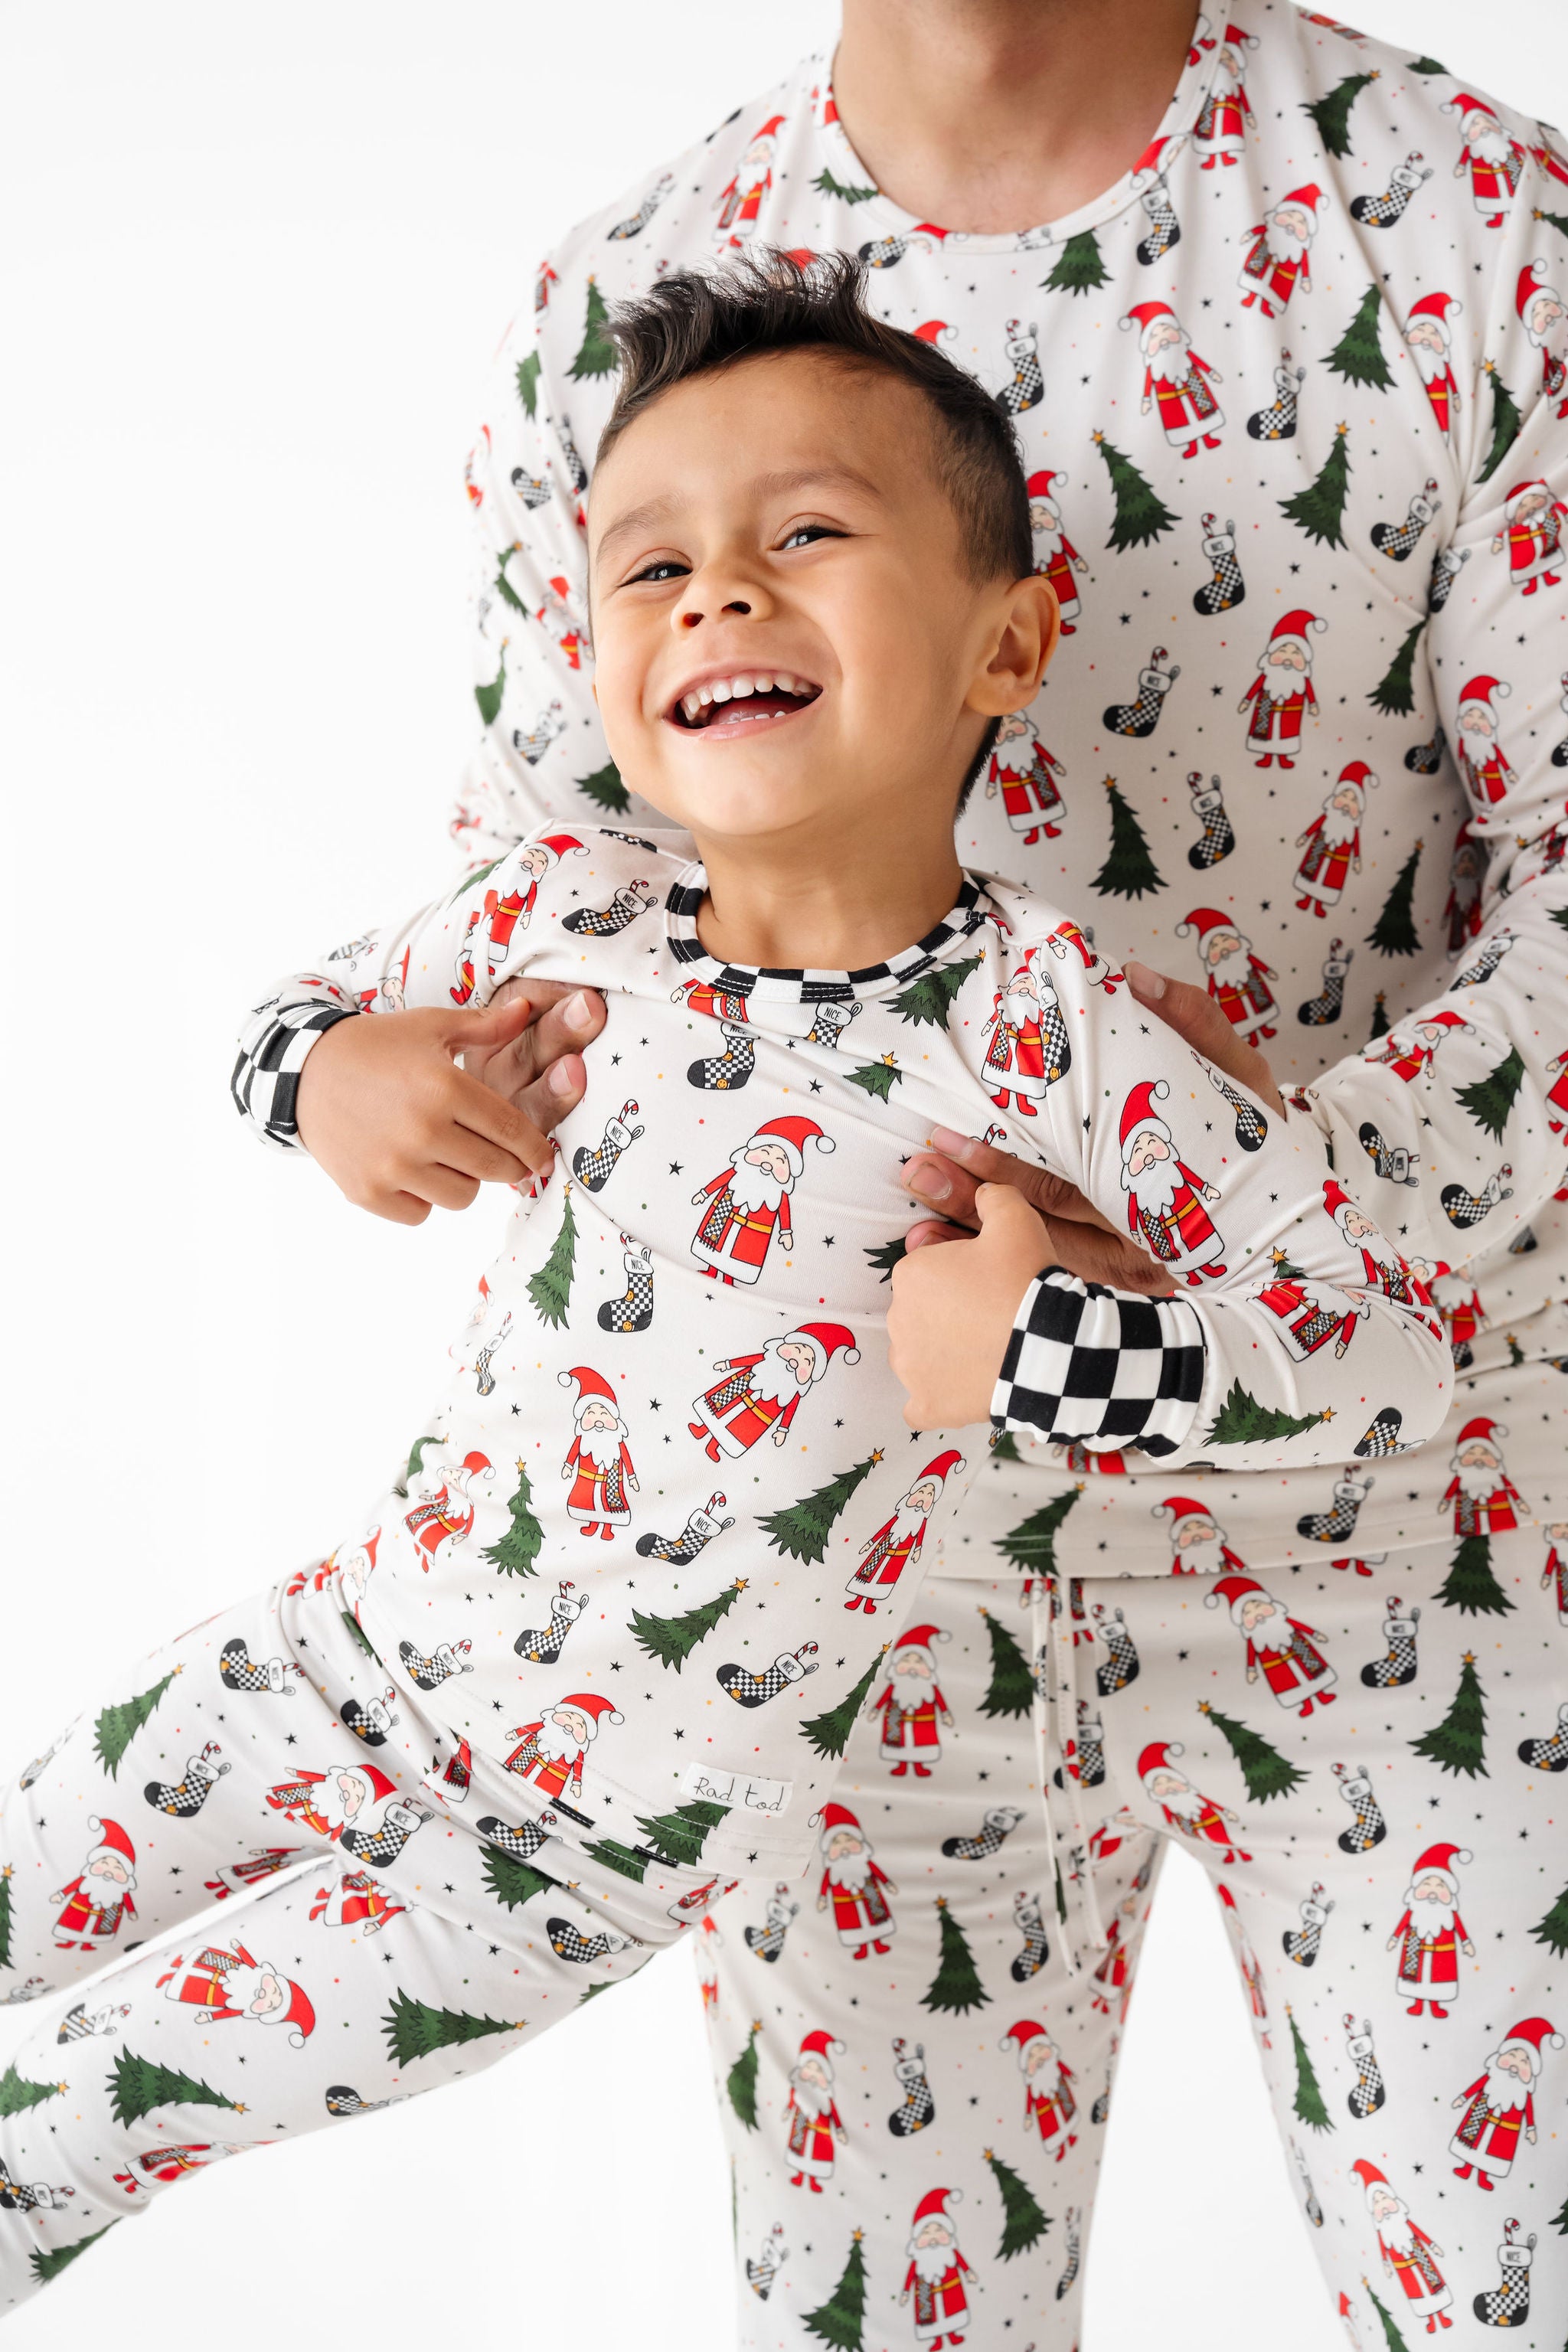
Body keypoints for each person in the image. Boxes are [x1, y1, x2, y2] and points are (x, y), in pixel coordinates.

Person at [0, 250, 1454, 2323]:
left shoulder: (1048, 1028)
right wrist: (328, 1073)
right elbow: (297, 1007)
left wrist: (1043, 1345)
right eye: (651, 566)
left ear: (1008, 643)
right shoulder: (558, 909)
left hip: (567, 1849)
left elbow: (1367, 1349)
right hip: (336, 1656)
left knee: (69, 2121)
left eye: (807, 536)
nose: (717, 596)